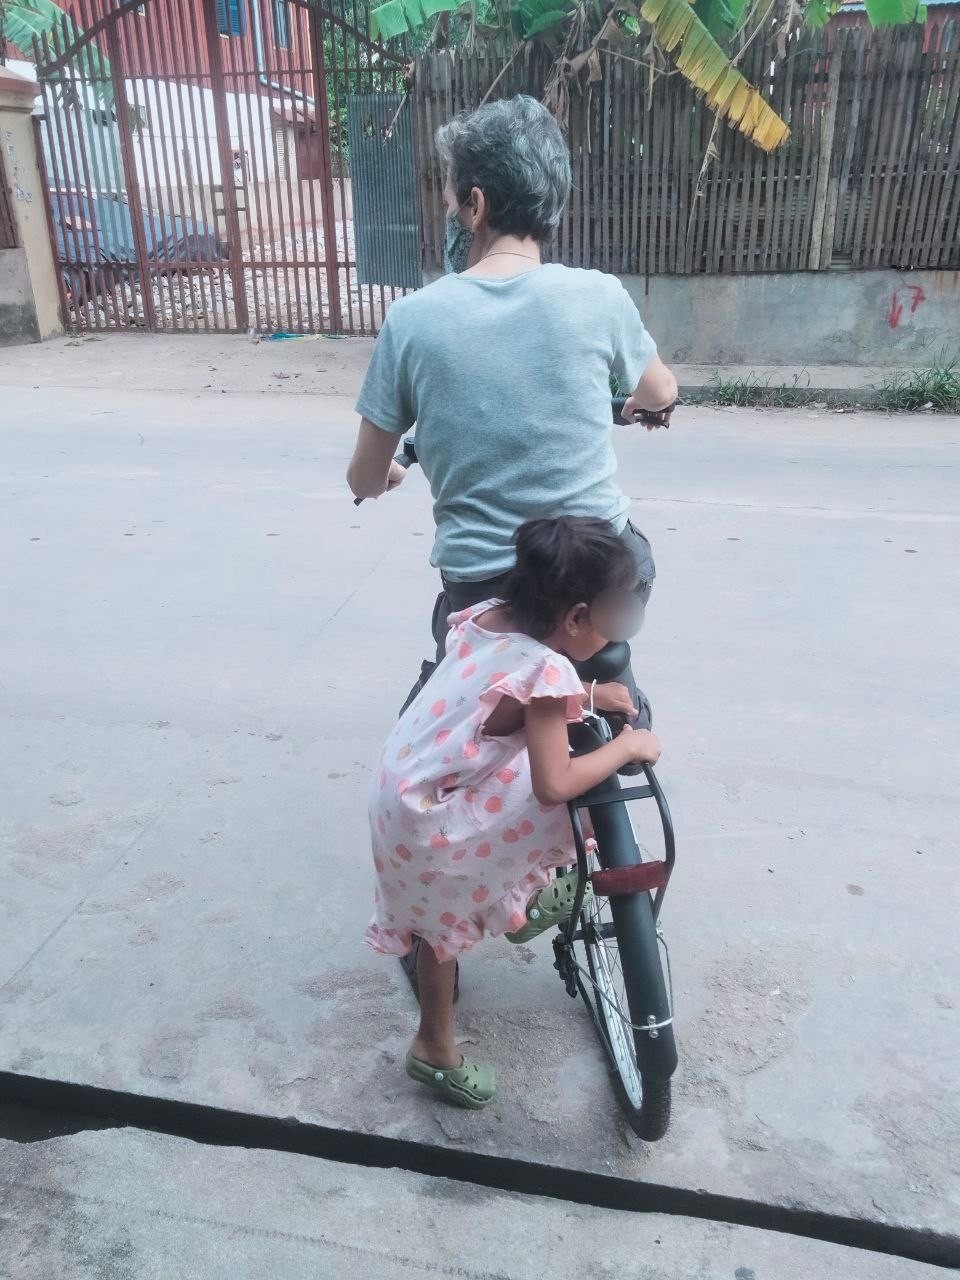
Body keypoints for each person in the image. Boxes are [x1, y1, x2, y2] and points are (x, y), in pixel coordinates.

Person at [346, 94, 678, 732]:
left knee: (435, 734)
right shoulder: (599, 297)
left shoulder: (413, 321)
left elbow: (364, 477)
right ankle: (619, 705)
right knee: (623, 582)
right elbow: (661, 392)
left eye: (452, 201)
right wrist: (645, 403)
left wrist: (384, 474)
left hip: (483, 592)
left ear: (475, 205)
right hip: (600, 579)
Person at [365, 517, 662, 1108]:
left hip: (403, 797)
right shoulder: (547, 673)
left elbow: (500, 702)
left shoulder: (487, 617)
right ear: (576, 617)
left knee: (439, 922)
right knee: (574, 794)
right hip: (436, 825)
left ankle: (501, 930)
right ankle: (440, 1036)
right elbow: (555, 785)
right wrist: (628, 745)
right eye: (612, 618)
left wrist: (585, 695)